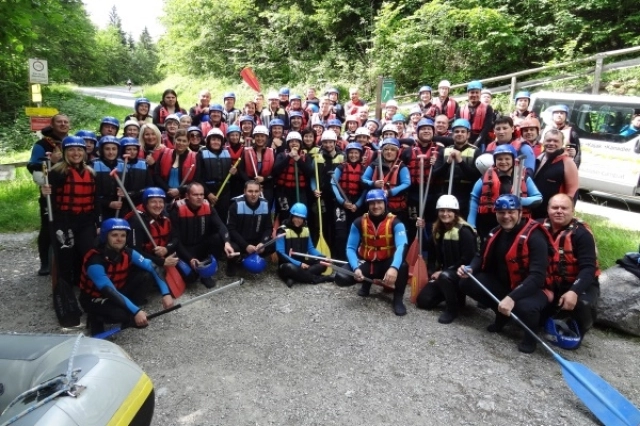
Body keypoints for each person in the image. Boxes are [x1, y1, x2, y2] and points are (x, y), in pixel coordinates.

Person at [458, 194, 555, 353]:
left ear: (520, 212)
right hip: (508, 283)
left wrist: (512, 298)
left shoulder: (535, 237)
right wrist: (470, 268)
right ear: (496, 213)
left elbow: (537, 277)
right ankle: (501, 314)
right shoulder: (496, 231)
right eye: (501, 212)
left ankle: (530, 337)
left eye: (511, 212)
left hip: (535, 289)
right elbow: (480, 256)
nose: (506, 216)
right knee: (467, 282)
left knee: (524, 307)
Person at [80, 218, 174, 335]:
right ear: (105, 236)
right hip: (95, 298)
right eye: (114, 235)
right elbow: (109, 290)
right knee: (122, 315)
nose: (119, 239)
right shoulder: (95, 261)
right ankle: (96, 317)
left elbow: (153, 266)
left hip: (117, 290)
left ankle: (129, 310)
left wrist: (166, 293)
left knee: (146, 276)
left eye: (123, 235)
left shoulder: (128, 252)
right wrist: (136, 312)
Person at [335, 189, 409, 316]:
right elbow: (350, 248)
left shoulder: (396, 223)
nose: (376, 206)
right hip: (368, 262)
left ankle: (398, 299)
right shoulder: (359, 222)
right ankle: (366, 284)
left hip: (386, 263)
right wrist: (356, 267)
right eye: (372, 203)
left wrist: (394, 268)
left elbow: (402, 246)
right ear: (368, 205)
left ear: (385, 203)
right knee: (341, 278)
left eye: (379, 202)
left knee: (403, 266)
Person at [540, 194, 600, 347]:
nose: (559, 211)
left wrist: (574, 291)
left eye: (564, 208)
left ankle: (582, 324)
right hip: (550, 283)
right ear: (548, 210)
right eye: (555, 207)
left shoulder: (582, 234)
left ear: (572, 211)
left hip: (579, 283)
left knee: (581, 304)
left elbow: (589, 269)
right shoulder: (538, 227)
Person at [40, 136, 99, 288]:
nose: (76, 153)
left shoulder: (91, 172)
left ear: (84, 152)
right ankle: (64, 288)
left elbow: (95, 200)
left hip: (85, 221)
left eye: (79, 149)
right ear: (65, 152)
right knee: (65, 256)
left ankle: (82, 282)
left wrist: (96, 222)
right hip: (63, 220)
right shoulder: (56, 172)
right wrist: (44, 192)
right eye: (71, 150)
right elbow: (47, 200)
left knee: (87, 252)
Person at [416, 195, 477, 324]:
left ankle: (452, 309)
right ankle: (451, 294)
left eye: (449, 211)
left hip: (461, 273)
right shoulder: (438, 229)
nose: (445, 214)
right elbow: (428, 248)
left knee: (445, 276)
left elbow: (468, 258)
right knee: (423, 301)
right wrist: (421, 230)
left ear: (455, 213)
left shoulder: (464, 231)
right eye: (442, 211)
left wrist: (445, 271)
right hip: (444, 274)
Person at [468, 144, 542, 240]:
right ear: (495, 161)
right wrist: (471, 224)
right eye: (500, 159)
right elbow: (474, 198)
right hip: (489, 224)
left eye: (507, 159)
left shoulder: (523, 177)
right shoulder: (486, 178)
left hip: (515, 223)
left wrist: (519, 201)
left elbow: (538, 198)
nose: (503, 162)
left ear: (513, 160)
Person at [170, 182, 235, 288]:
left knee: (218, 238)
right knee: (191, 278)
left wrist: (227, 243)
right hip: (184, 248)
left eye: (201, 194)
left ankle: (206, 271)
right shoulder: (176, 209)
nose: (199, 197)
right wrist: (190, 258)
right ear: (187, 196)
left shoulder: (207, 205)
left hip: (201, 245)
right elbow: (175, 239)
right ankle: (192, 268)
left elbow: (221, 226)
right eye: (195, 195)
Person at [28, 114, 69, 275]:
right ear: (52, 124)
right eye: (59, 122)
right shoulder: (42, 144)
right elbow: (32, 165)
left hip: (68, 192)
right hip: (49, 192)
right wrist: (50, 161)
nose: (63, 124)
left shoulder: (70, 141)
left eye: (66, 122)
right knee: (47, 228)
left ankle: (64, 260)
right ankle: (45, 263)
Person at [275, 203, 331, 287]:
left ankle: (294, 277)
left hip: (302, 263)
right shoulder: (282, 230)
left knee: (323, 263)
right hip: (287, 264)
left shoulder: (305, 229)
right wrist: (299, 264)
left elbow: (311, 249)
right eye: (296, 217)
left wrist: (321, 256)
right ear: (291, 216)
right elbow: (280, 253)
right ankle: (317, 279)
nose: (299, 220)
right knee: (290, 268)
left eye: (301, 218)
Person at [226, 181, 275, 276]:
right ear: (244, 191)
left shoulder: (265, 204)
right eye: (250, 191)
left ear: (260, 191)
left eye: (256, 191)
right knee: (232, 247)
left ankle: (257, 256)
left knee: (275, 243)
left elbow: (268, 228)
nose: (253, 194)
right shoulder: (235, 205)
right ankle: (234, 262)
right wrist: (245, 245)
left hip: (257, 242)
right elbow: (231, 229)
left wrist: (262, 243)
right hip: (240, 241)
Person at [437, 119, 481, 220]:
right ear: (452, 134)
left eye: (462, 131)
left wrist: (460, 161)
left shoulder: (476, 152)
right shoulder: (444, 151)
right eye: (456, 131)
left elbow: (475, 176)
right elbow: (437, 174)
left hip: (467, 193)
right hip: (447, 191)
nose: (459, 134)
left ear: (468, 134)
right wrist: (448, 162)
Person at [531, 129, 579, 219]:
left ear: (562, 144)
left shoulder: (567, 162)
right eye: (548, 140)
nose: (551, 143)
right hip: (533, 212)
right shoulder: (538, 158)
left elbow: (573, 191)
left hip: (551, 215)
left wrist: (565, 213)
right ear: (543, 141)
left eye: (556, 141)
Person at [362, 138, 411, 225]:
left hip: (396, 208)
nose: (389, 152)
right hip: (376, 206)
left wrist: (389, 192)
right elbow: (363, 179)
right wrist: (374, 183)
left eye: (392, 150)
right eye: (386, 149)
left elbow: (406, 183)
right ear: (382, 152)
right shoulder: (374, 164)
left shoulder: (402, 166)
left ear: (397, 152)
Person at [332, 142, 368, 260]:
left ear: (360, 155)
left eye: (356, 153)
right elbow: (333, 184)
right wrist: (342, 201)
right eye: (351, 153)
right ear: (347, 154)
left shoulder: (364, 169)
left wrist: (357, 205)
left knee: (356, 232)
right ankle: (340, 258)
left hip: (357, 205)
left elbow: (365, 190)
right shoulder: (340, 167)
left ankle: (354, 258)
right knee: (341, 233)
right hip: (341, 204)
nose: (353, 155)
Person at [273, 132, 313, 221]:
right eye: (291, 141)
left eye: (296, 141)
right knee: (285, 213)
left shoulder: (305, 157)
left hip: (300, 191)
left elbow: (309, 173)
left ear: (300, 144)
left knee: (300, 214)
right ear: (288, 144)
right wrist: (289, 157)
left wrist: (298, 159)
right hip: (283, 191)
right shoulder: (281, 155)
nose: (294, 143)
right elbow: (276, 171)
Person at [153, 128, 197, 200]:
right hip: (165, 192)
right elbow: (156, 175)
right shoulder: (164, 153)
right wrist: (168, 189)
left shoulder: (195, 157)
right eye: (178, 140)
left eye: (184, 141)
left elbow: (196, 179)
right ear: (174, 140)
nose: (181, 143)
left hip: (184, 195)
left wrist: (179, 190)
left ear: (188, 143)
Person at [119, 137, 153, 217]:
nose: (132, 152)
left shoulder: (143, 164)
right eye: (128, 149)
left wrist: (132, 194)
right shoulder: (118, 164)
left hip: (138, 200)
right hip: (122, 203)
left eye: (134, 149)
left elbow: (149, 185)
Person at [91, 136, 123, 220]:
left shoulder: (124, 165)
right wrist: (108, 203)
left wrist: (126, 193)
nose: (111, 152)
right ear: (102, 150)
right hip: (99, 208)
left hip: (120, 207)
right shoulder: (93, 164)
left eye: (114, 149)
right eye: (107, 149)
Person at [457, 80, 493, 149]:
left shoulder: (488, 108)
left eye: (477, 92)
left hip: (482, 140)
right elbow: (458, 128)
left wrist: (476, 143)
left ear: (480, 94)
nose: (474, 95)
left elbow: (486, 128)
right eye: (472, 92)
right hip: (464, 140)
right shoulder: (460, 109)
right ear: (468, 93)